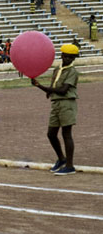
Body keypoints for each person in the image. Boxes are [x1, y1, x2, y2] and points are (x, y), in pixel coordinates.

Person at [30, 44, 80, 175]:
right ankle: (61, 159)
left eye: (71, 57)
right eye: (66, 56)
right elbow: (54, 86)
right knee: (51, 134)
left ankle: (70, 166)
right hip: (56, 104)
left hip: (67, 103)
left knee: (66, 134)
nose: (68, 59)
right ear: (61, 55)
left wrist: (41, 87)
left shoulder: (72, 71)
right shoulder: (57, 69)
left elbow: (63, 90)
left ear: (74, 58)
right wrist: (48, 92)